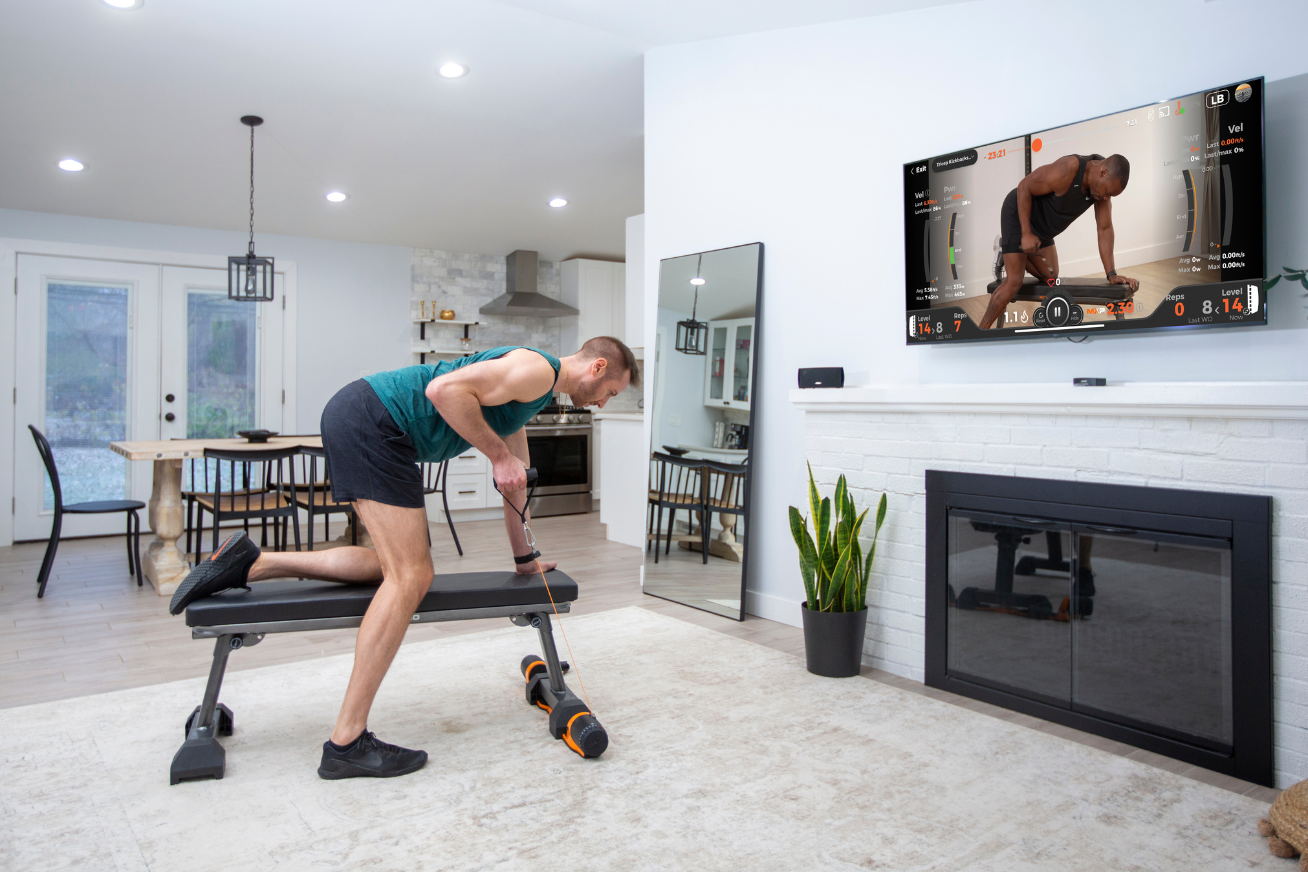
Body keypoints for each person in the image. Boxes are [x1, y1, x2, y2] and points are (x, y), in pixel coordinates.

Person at [168, 337, 639, 779]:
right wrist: (497, 455)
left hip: (367, 419)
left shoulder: (529, 397)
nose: (602, 404)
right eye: (609, 392)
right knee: (411, 577)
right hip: (375, 421)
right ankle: (346, 744)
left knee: (392, 567)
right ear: (597, 367)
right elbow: (444, 390)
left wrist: (524, 559)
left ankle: (252, 564)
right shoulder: (538, 370)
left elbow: (513, 490)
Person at [979, 153, 1140, 330]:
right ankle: (980, 332)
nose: (1105, 198)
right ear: (1103, 172)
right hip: (1019, 213)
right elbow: (1024, 186)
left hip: (1043, 229)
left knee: (1050, 276)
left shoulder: (1101, 191)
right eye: (1107, 193)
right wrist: (1025, 233)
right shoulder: (1069, 168)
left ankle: (1009, 251)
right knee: (1014, 281)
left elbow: (1105, 229)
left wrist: (1111, 274)